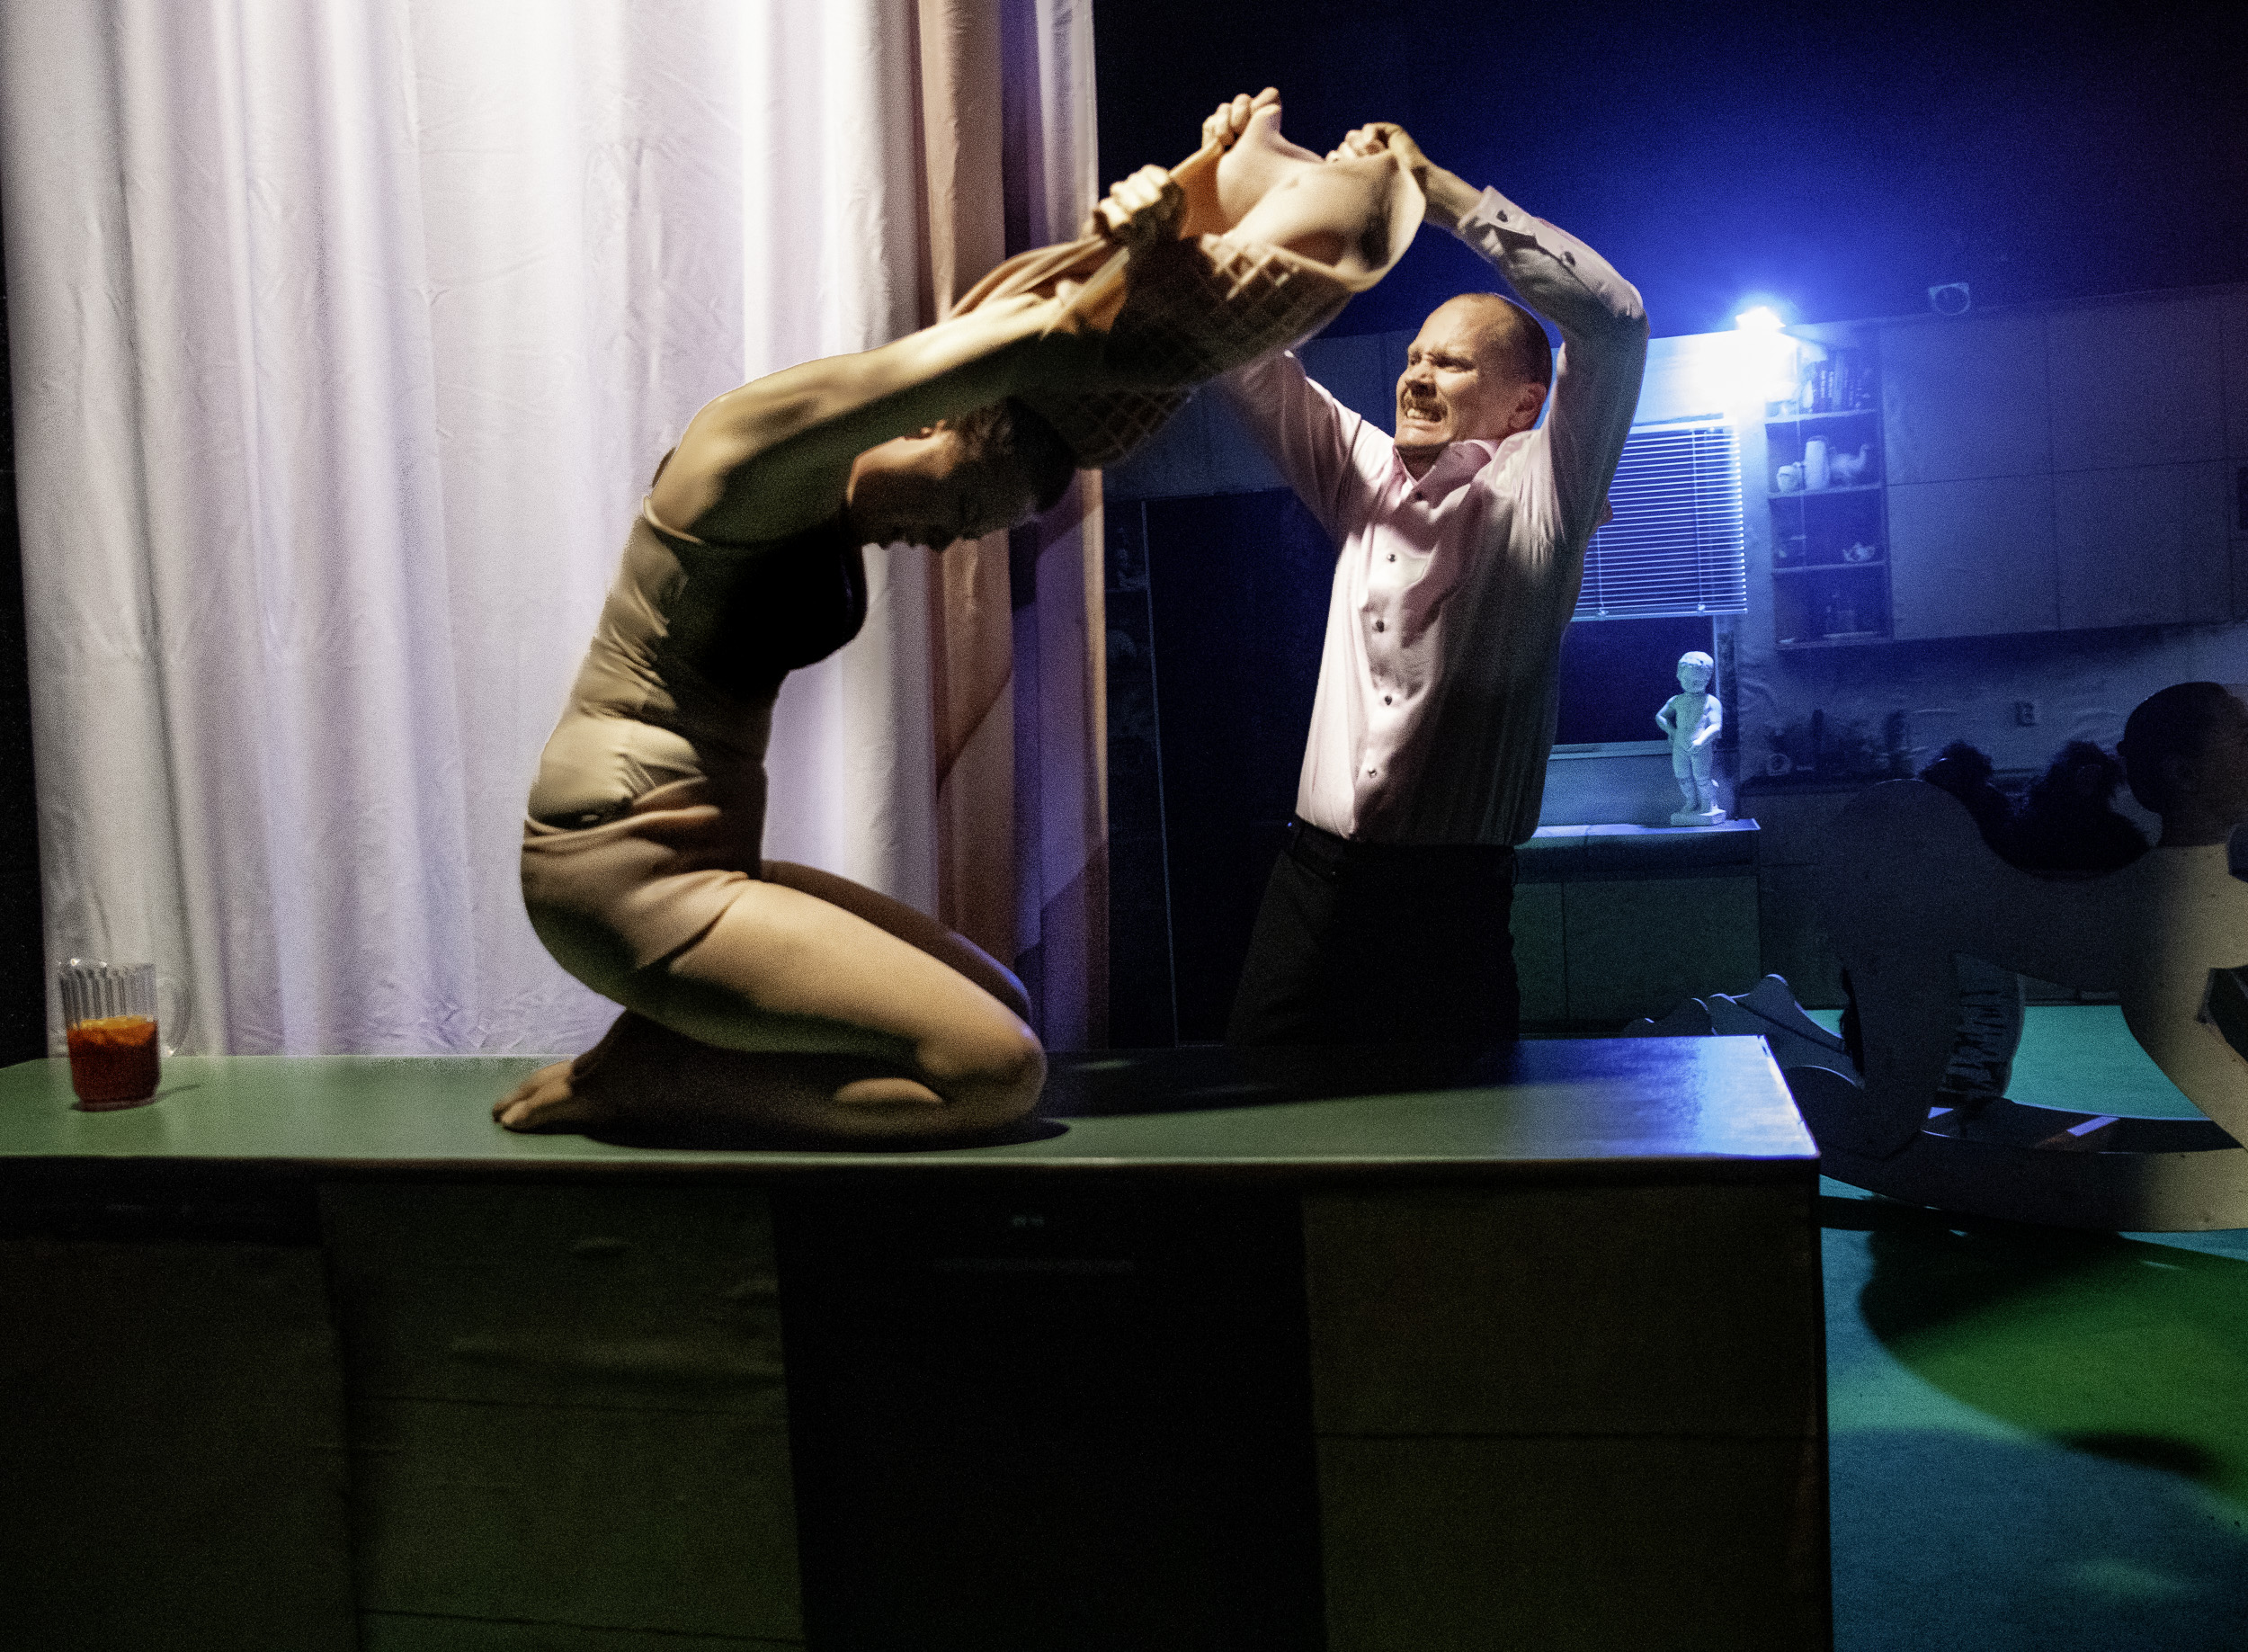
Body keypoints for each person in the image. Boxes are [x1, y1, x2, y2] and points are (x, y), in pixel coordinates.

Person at [499, 100, 1427, 1142]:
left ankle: (672, 1051)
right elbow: (1036, 340)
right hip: (617, 873)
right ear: (944, 425)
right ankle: (652, 1076)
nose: (944, 542)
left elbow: (1049, 341)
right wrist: (1157, 224)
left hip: (702, 860)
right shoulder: (746, 449)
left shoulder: (829, 504)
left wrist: (1185, 206)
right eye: (967, 513)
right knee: (993, 1073)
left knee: (1002, 1002)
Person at [1214, 101, 1648, 1049]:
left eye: (1448, 364)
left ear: (1523, 403)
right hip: (1308, 887)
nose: (1414, 377)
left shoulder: (1545, 490)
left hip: (1448, 912)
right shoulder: (1361, 468)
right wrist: (1228, 192)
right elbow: (1241, 356)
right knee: (1254, 1114)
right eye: (1413, 357)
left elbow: (1615, 322)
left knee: (1457, 1135)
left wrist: (1436, 193)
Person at [1655, 650, 1723, 824]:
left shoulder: (1711, 702)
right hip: (1680, 745)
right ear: (1679, 676)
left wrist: (1701, 741)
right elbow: (1660, 716)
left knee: (1701, 777)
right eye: (1687, 680)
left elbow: (1716, 726)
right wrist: (1672, 731)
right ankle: (1691, 801)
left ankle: (1707, 802)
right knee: (1682, 776)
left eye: (1697, 681)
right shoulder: (1677, 700)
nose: (1692, 684)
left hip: (1701, 746)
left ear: (1707, 679)